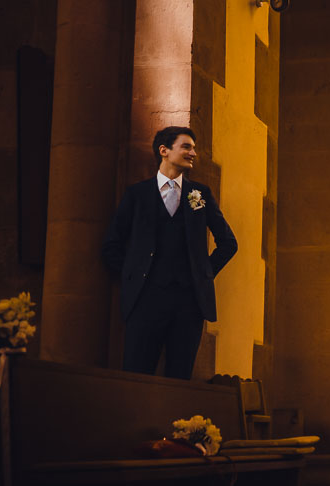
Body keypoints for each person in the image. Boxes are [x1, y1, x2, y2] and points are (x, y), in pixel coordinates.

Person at [100, 126, 237, 379]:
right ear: (164, 150)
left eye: (194, 147)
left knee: (179, 381)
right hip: (145, 302)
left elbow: (229, 243)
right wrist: (134, 276)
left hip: (188, 305)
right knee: (136, 377)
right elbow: (112, 244)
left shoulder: (199, 194)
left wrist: (203, 274)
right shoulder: (137, 194)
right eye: (187, 146)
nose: (193, 152)